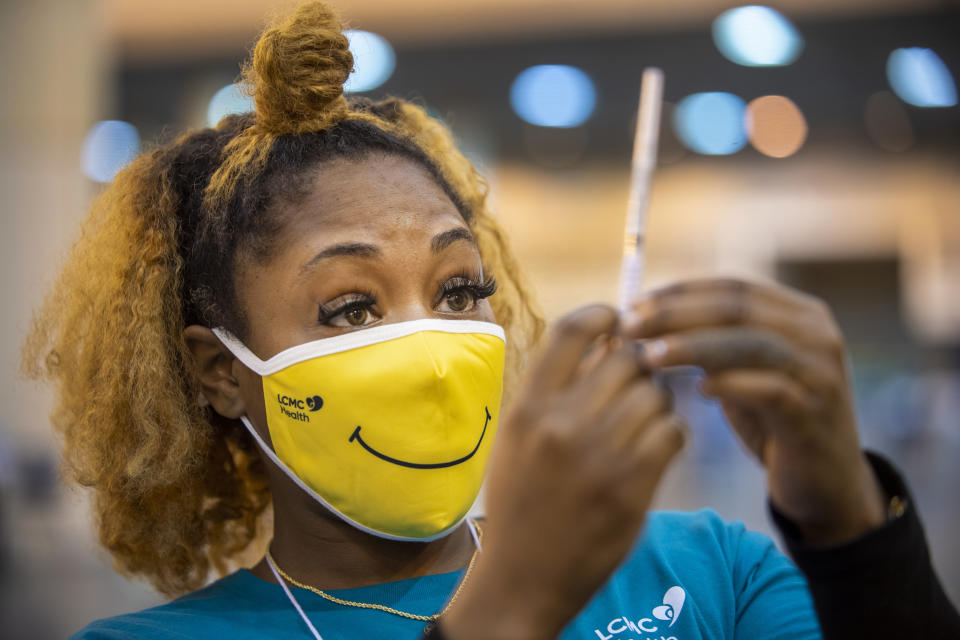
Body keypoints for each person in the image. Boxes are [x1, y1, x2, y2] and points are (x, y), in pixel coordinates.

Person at [21, 2, 958, 639]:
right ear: (220, 369)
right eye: (351, 306)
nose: (431, 346)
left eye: (459, 290)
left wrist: (845, 518)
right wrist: (511, 607)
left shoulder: (708, 570)